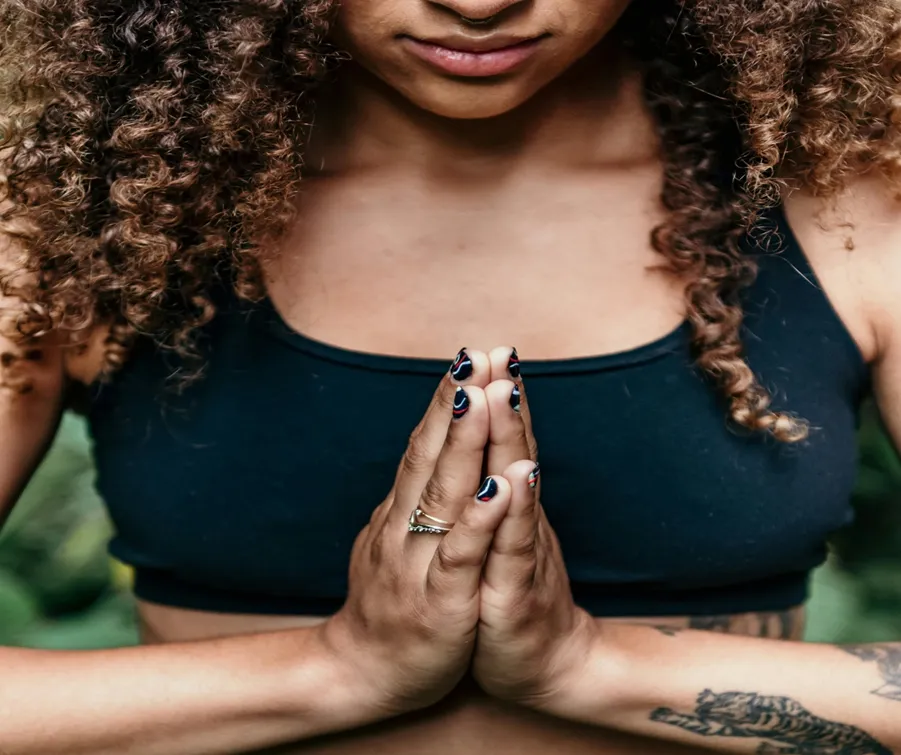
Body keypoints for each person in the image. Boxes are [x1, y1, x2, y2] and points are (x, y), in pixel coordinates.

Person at [0, 0, 900, 752]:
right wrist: (336, 669)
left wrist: (589, 666)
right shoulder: (80, 215)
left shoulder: (854, 204)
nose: (477, 4)